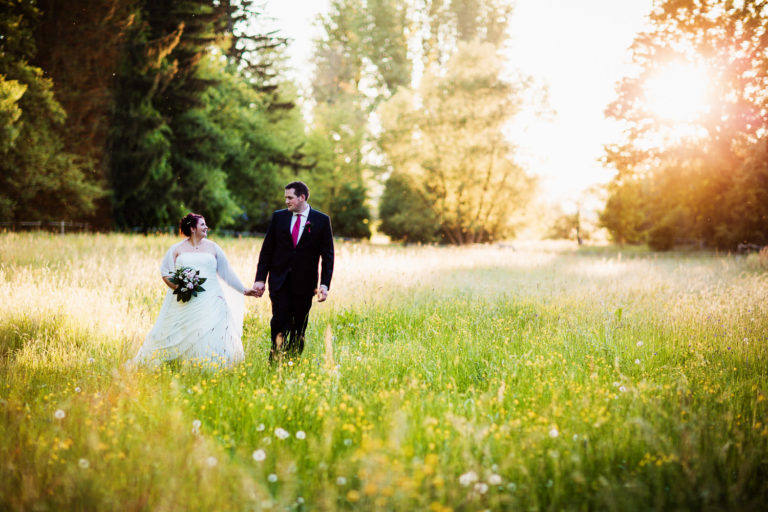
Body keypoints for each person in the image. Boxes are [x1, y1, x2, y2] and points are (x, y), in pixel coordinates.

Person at [132, 213, 257, 368]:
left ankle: (211, 365)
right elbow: (165, 272)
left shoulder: (213, 247)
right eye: (202, 225)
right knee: (181, 331)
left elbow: (226, 272)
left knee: (211, 330)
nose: (206, 227)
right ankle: (180, 364)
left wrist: (244, 290)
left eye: (205, 224)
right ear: (192, 228)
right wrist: (180, 287)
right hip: (186, 299)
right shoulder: (177, 249)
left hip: (212, 298)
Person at [251, 181, 334, 361]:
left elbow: (328, 256)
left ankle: (293, 362)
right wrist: (260, 279)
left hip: (305, 285)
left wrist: (325, 285)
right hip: (279, 281)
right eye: (285, 198)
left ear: (302, 197)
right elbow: (267, 250)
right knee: (279, 321)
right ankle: (275, 360)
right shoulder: (278, 217)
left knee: (299, 327)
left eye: (290, 197)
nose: (286, 201)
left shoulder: (321, 220)